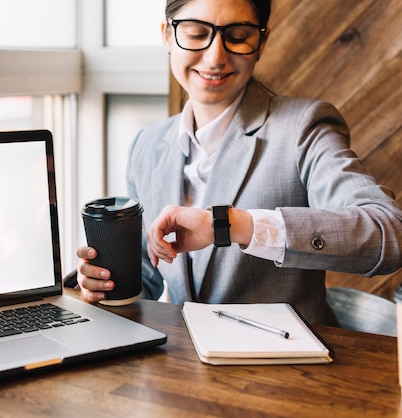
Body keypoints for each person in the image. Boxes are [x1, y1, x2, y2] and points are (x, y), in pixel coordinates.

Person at [75, 0, 402, 325]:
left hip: (288, 367)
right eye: (196, 32)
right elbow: (148, 275)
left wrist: (232, 225)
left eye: (238, 35)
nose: (215, 57)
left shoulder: (304, 127)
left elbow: (387, 233)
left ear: (262, 42)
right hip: (181, 366)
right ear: (166, 35)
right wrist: (101, 282)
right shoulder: (146, 145)